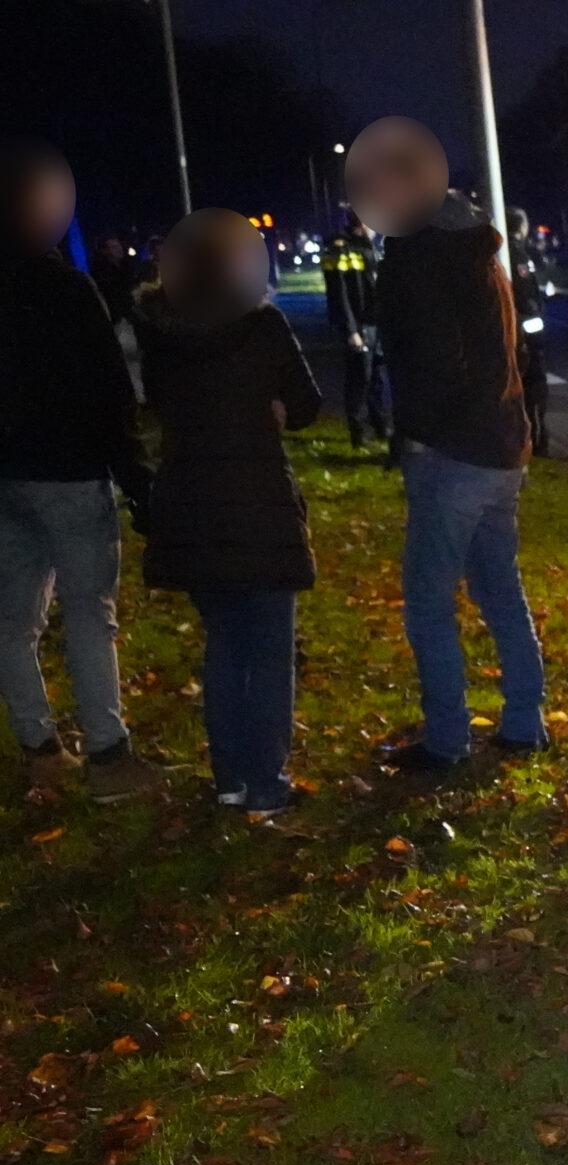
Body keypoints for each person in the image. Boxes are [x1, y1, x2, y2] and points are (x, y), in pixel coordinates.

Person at [348, 114, 545, 773]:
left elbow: (438, 361)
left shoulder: (420, 259)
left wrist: (422, 435)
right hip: (501, 447)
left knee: (429, 600)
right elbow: (497, 353)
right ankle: (524, 722)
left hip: (453, 453)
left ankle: (447, 738)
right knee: (498, 587)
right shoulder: (477, 252)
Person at [132, 208, 323, 815]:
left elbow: (161, 405)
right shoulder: (263, 327)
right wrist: (270, 405)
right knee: (269, 648)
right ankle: (266, 781)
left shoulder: (161, 334)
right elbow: (308, 404)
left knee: (224, 645)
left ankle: (229, 777)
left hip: (192, 509)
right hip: (259, 506)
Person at [0, 138, 158, 800]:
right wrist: (135, 477)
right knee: (90, 614)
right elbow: (108, 390)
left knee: (13, 619)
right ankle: (108, 755)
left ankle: (39, 747)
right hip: (70, 475)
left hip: (8, 480)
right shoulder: (67, 290)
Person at [322, 212, 390, 451]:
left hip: (376, 323)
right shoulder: (340, 247)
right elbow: (339, 295)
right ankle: (358, 433)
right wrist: (351, 330)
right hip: (359, 325)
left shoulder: (374, 246)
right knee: (360, 379)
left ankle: (380, 425)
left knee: (377, 378)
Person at [507, 208, 551, 457]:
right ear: (521, 227)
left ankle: (532, 437)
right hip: (528, 332)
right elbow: (525, 294)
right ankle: (537, 439)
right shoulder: (517, 254)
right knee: (535, 384)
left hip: (521, 328)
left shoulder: (507, 251)